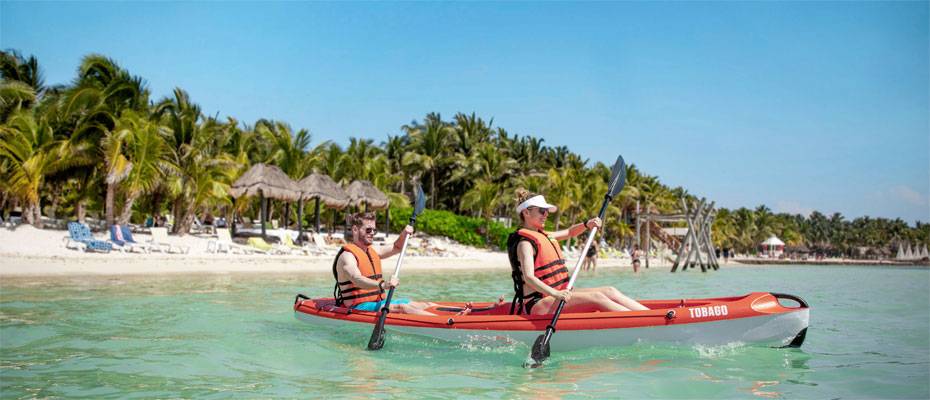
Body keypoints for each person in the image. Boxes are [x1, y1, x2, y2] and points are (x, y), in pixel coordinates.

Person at [506, 189, 648, 315]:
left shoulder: (544, 236)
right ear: (526, 212)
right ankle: (642, 323)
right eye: (542, 211)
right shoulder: (525, 243)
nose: (546, 215)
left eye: (547, 211)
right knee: (597, 298)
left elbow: (569, 232)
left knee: (609, 291)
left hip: (557, 296)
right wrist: (556, 293)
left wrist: (587, 224)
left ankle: (651, 316)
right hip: (538, 304)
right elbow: (529, 277)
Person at [332, 212, 436, 315]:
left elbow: (397, 247)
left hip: (378, 303)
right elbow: (357, 279)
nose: (372, 233)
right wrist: (383, 284)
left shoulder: (372, 251)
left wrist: (404, 234)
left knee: (426, 304)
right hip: (358, 307)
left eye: (374, 230)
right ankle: (442, 325)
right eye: (368, 230)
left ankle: (448, 318)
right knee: (402, 307)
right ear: (355, 229)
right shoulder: (347, 257)